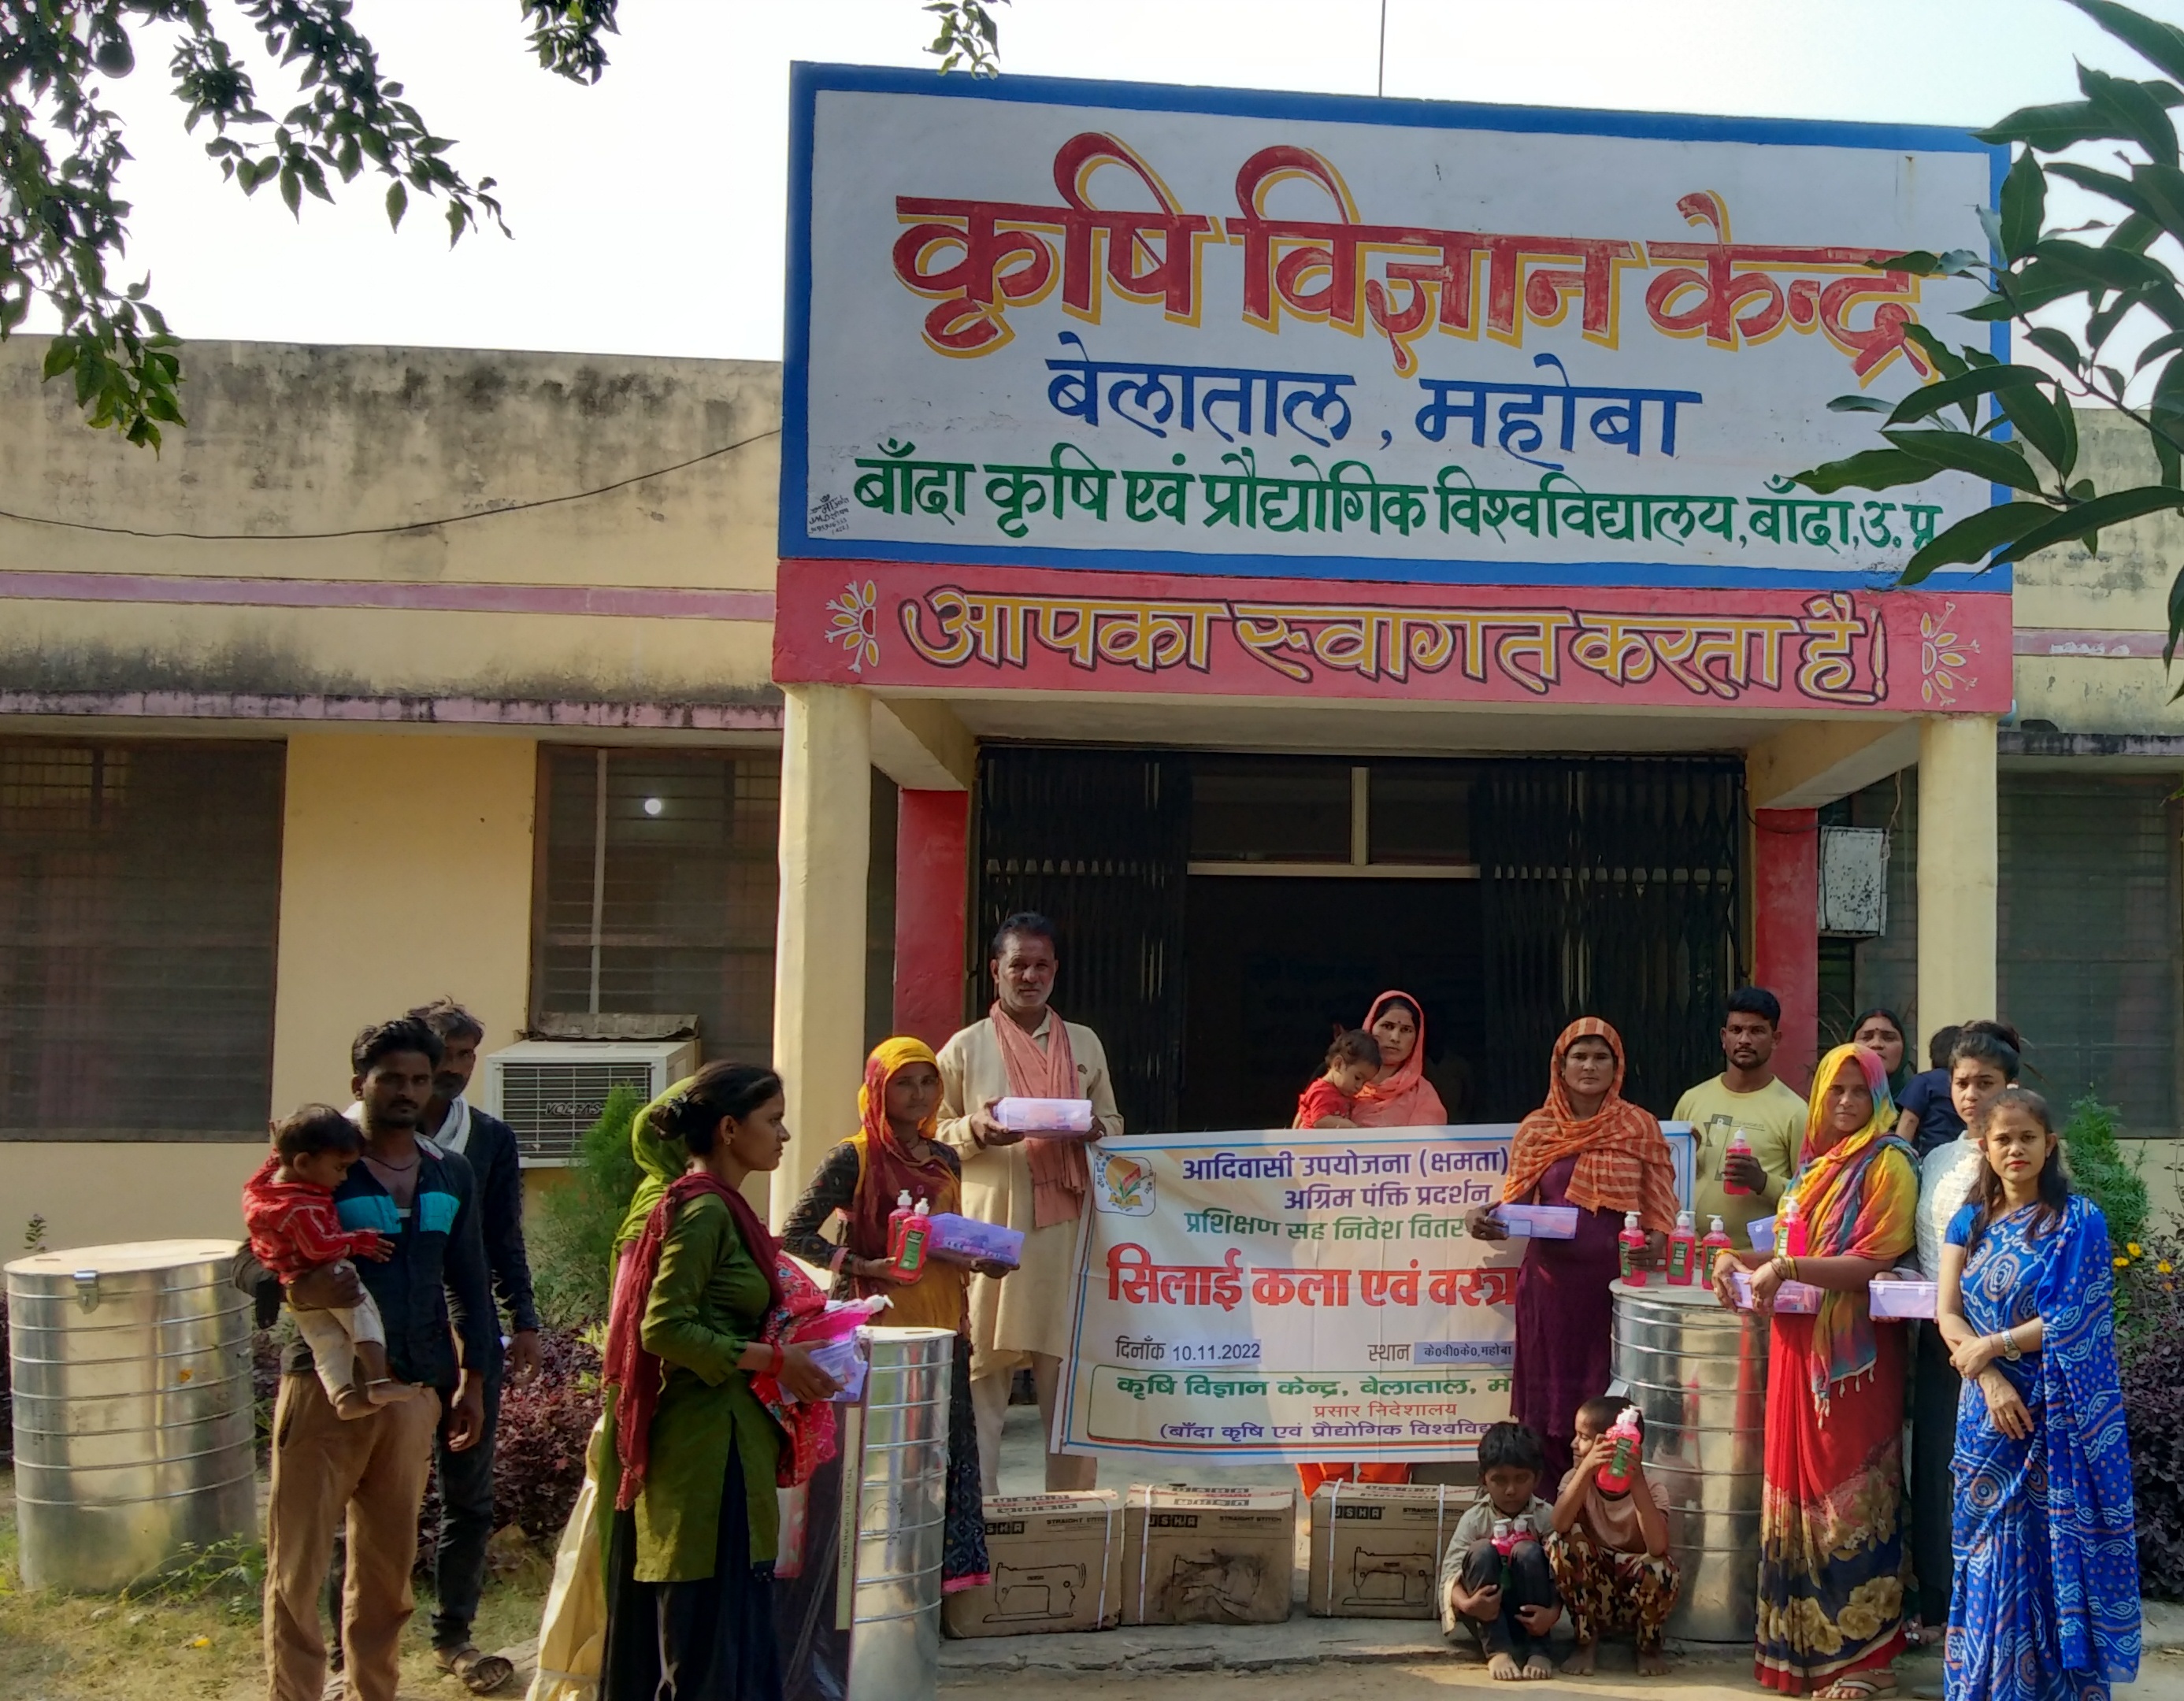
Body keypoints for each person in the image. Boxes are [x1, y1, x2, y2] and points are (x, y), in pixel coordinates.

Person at [248, 1017, 496, 1701]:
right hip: (325, 1390)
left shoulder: (450, 1171)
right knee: (297, 1568)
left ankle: (373, 1691)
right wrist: (298, 1287)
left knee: (387, 1575)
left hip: (413, 1391)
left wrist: (474, 1380)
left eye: (420, 1078)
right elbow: (251, 1257)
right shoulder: (320, 1161)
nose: (407, 1092)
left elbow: (469, 1281)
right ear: (360, 1083)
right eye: (392, 1079)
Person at [597, 1063, 839, 1701]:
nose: (784, 1135)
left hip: (733, 1437)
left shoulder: (726, 1208)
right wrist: (774, 1360)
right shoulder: (703, 1210)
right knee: (709, 1640)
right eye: (773, 1120)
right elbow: (663, 1328)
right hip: (705, 1447)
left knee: (735, 1632)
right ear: (730, 1129)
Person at [1710, 1043, 1919, 1699]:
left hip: (1853, 1360)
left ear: (1879, 1097)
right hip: (1795, 1346)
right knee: (1794, 1494)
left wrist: (1786, 1267)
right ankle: (1799, 1653)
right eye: (1836, 1091)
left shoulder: (1888, 1161)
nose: (1847, 1103)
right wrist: (1734, 1260)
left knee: (1844, 1498)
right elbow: (1786, 1247)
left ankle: (1866, 1659)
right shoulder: (1811, 1168)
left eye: (1860, 1091)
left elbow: (1874, 1258)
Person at [781, 1036, 1006, 1593]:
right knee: (879, 1456)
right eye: (904, 1083)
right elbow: (795, 1234)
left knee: (941, 1453)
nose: (919, 1094)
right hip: (875, 1329)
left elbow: (939, 1239)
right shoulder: (853, 1157)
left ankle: (932, 1586)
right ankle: (861, 1589)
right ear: (879, 1089)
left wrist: (979, 1258)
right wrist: (865, 1264)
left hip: (942, 1321)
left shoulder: (944, 1157)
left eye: (928, 1082)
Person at [1937, 1088, 2140, 1701]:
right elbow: (1947, 1314)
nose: (2015, 1149)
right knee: (1985, 1552)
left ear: (2048, 1145)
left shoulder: (2077, 1221)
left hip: (2052, 1417)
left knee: (2048, 1552)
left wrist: (1994, 1345)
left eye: (2027, 1137)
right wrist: (1988, 1374)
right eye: (2003, 1139)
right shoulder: (1968, 1221)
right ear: (1984, 1146)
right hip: (1984, 1413)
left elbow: (2076, 1316)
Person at [526, 1077, 702, 1701]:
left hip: (659, 1398)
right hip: (647, 1398)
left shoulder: (688, 1199)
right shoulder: (662, 1207)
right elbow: (640, 1322)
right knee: (614, 1553)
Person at [936, 912, 1121, 1495]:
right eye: (1018, 965)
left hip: (1065, 1236)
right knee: (982, 1380)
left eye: (1041, 965)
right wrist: (976, 1129)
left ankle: (1071, 1518)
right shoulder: (965, 1048)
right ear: (996, 970)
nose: (1030, 976)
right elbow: (928, 1136)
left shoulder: (1084, 1043)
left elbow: (1113, 1122)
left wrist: (1094, 1130)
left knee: (1069, 1386)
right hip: (990, 1235)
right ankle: (981, 1517)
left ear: (1055, 970)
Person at [1466, 1018, 1678, 1484]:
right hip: (1550, 1292)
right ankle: (1550, 1504)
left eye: (1601, 1057)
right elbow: (1514, 1205)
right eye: (1579, 1057)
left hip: (1617, 1291)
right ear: (1560, 1066)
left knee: (1610, 1398)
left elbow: (1661, 1204)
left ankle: (1607, 1497)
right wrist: (1480, 1219)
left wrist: (1658, 1239)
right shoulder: (1537, 1129)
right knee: (1549, 1401)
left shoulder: (1638, 1126)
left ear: (1618, 1067)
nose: (1589, 1066)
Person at [406, 998, 540, 1692]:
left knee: (469, 1497)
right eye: (446, 1054)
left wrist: (525, 1319)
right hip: (390, 1335)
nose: (456, 1069)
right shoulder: (360, 1135)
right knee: (370, 1497)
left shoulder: (486, 1138)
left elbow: (502, 1237)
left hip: (470, 1336)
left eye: (467, 1056)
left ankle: (453, 1636)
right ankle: (348, 1650)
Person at [1908, 1025, 2021, 1650]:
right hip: (1938, 1340)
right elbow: (1920, 1247)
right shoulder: (1936, 1160)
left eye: (1985, 1082)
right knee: (1937, 1471)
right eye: (1961, 1083)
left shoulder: (2024, 1160)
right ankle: (1939, 1605)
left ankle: (1997, 1613)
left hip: (2009, 1344)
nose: (1971, 1095)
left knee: (2001, 1479)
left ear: (2010, 1086)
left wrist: (1997, 1348)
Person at [241, 1105, 406, 1416]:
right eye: (339, 1168)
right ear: (303, 1162)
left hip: (292, 1279)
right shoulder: (299, 1208)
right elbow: (319, 1248)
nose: (343, 1177)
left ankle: (343, 1397)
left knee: (326, 1341)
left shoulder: (262, 1192)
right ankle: (378, 1380)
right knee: (363, 1317)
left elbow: (273, 1164)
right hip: (328, 1273)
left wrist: (279, 1147)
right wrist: (360, 1242)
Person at [1547, 1396, 1678, 1678]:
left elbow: (1657, 1547)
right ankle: (1585, 1643)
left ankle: (1648, 1648)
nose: (1573, 1444)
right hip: (1593, 1602)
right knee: (1562, 1543)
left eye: (1583, 1438)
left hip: (1635, 1603)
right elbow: (1559, 1524)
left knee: (1660, 1567)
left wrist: (1636, 1479)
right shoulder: (1575, 1480)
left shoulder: (1653, 1489)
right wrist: (1587, 1469)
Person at [1673, 987, 1809, 1247]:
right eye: (1736, 1030)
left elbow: (1812, 1196)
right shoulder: (1692, 1100)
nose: (1744, 1040)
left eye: (1757, 1031)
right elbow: (1667, 1181)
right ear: (1724, 1037)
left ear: (1775, 1039)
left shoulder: (1795, 1112)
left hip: (1757, 1262)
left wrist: (1763, 1182)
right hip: (1693, 1256)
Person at [1439, 1421, 1560, 1681]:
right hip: (1485, 1614)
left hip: (1534, 1616)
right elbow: (1449, 1576)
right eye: (1499, 1480)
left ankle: (1539, 1650)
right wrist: (1468, 1605)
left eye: (1521, 1479)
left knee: (1528, 1551)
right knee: (1482, 1550)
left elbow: (1566, 1576)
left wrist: (1552, 1614)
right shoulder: (1475, 1520)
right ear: (1483, 1479)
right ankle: (1497, 1651)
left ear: (1537, 1478)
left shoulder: (1546, 1517)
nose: (1510, 1490)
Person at [1352, 991, 1449, 1128]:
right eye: (1387, 1026)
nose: (1395, 1038)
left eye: (1406, 1030)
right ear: (1370, 1027)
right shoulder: (1343, 1084)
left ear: (1417, 1038)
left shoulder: (1424, 1097)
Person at [1896, 1025, 1966, 1157]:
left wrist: (1899, 1155)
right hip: (1963, 1154)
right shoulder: (1968, 1085)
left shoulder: (1924, 1081)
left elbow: (1909, 1120)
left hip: (1930, 1155)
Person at [1295, 1029, 1381, 1130]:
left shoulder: (1342, 1092)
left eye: (1364, 1082)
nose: (1359, 1087)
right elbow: (1320, 1120)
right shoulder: (1321, 1091)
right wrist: (1350, 1126)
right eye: (1357, 1078)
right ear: (1338, 1064)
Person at [1850, 1009, 1913, 1101]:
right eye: (1866, 1038)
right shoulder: (1833, 1100)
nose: (1876, 1044)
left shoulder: (1921, 1101)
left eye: (1889, 1038)